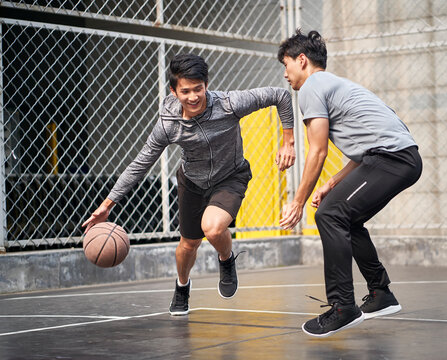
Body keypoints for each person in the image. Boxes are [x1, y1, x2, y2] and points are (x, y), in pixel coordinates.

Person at [83, 53, 296, 315]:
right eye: (185, 91)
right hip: (192, 182)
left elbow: (280, 95)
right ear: (174, 91)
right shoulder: (168, 123)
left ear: (206, 84)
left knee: (213, 229)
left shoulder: (229, 104)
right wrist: (107, 204)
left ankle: (226, 259)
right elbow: (141, 164)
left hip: (230, 176)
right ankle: (182, 286)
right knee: (188, 246)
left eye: (199, 88)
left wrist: (288, 140)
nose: (193, 96)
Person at [278, 30, 422, 337]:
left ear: (302, 60)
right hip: (397, 158)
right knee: (347, 218)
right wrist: (333, 181)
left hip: (390, 158)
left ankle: (343, 308)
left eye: (286, 64)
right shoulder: (337, 85)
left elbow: (318, 150)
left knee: (329, 215)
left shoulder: (312, 86)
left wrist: (298, 202)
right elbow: (365, 150)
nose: (285, 74)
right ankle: (381, 294)